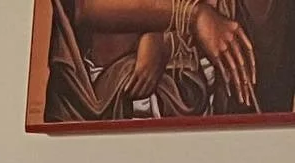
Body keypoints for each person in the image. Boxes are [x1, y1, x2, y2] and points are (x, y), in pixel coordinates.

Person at [43, 0, 294, 122]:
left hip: (208, 101)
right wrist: (189, 15)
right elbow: (84, 7)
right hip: (110, 98)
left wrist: (168, 41)